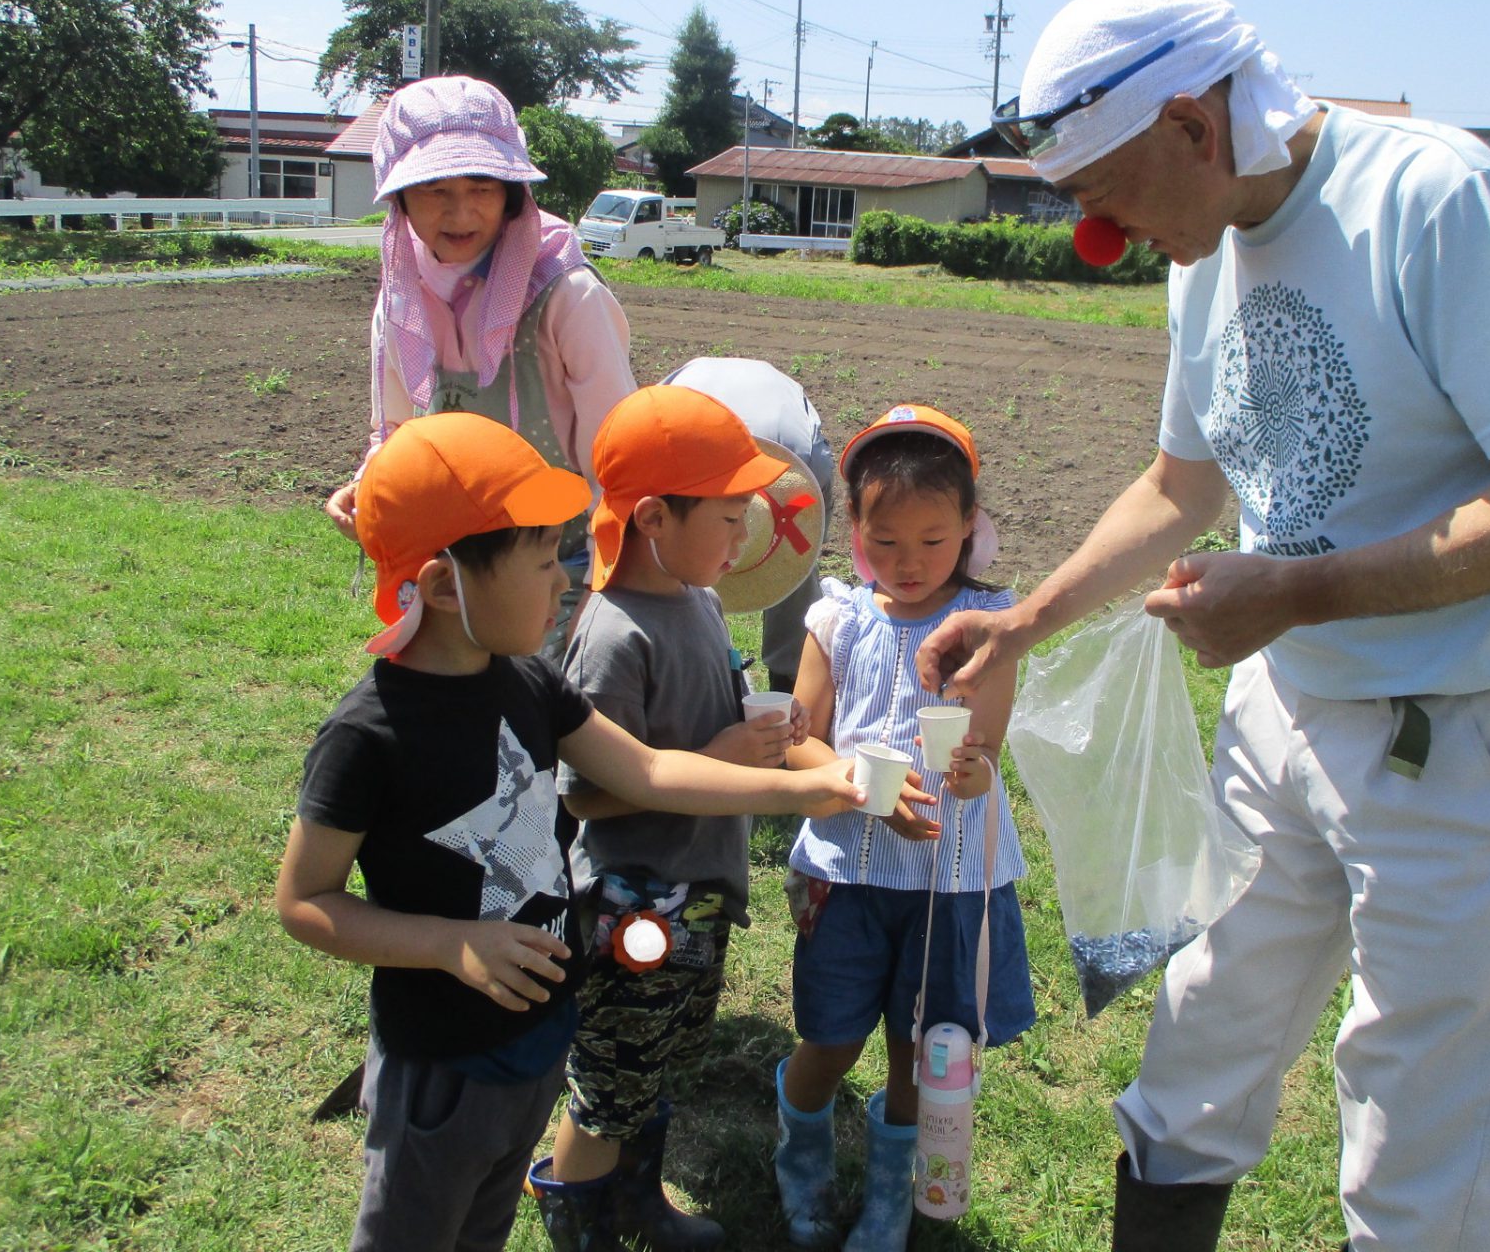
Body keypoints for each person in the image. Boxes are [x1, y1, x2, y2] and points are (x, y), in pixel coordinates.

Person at [919, 0, 1490, 1252]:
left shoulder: (1436, 201)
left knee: (1418, 1124)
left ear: (1194, 123)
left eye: (1108, 195)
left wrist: (1294, 590)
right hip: (1284, 704)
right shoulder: (1205, 253)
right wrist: (1024, 624)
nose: (1104, 237)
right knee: (1199, 1039)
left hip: (1462, 731)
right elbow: (1181, 486)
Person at [276, 411, 863, 1252]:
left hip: (539, 1039)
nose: (565, 581)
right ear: (443, 587)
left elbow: (648, 773)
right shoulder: (368, 738)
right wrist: (449, 944)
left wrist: (806, 785)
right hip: (441, 1063)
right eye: (545, 559)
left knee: (483, 1227)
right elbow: (305, 902)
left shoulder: (529, 684)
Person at [530, 384, 816, 1251]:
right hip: (633, 904)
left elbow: (713, 720)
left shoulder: (701, 600)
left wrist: (769, 727)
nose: (743, 539)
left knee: (652, 1064)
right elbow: (584, 794)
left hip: (697, 890)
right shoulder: (615, 636)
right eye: (728, 520)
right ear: (654, 518)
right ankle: (582, 1226)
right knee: (608, 1084)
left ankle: (635, 1206)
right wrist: (724, 754)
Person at [774, 405, 1035, 1252]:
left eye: (933, 540)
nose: (909, 562)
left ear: (970, 526)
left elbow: (986, 749)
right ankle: (801, 1152)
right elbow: (802, 739)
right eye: (885, 541)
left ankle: (890, 1198)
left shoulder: (989, 627)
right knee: (830, 1037)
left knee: (921, 1048)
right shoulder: (838, 618)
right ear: (854, 527)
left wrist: (973, 773)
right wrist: (862, 787)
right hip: (847, 873)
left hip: (946, 879)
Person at [323, 74, 637, 651]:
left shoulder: (566, 295)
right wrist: (371, 484)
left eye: (482, 186)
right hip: (451, 572)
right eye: (434, 188)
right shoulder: (401, 296)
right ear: (399, 197)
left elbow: (618, 457)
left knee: (540, 705)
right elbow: (396, 429)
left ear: (512, 193)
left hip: (559, 572)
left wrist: (600, 583)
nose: (461, 211)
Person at [660, 357, 836, 694]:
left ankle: (791, 684)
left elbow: (805, 554)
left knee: (798, 577)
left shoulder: (807, 468)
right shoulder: (672, 456)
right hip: (686, 417)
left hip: (784, 423)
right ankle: (697, 674)